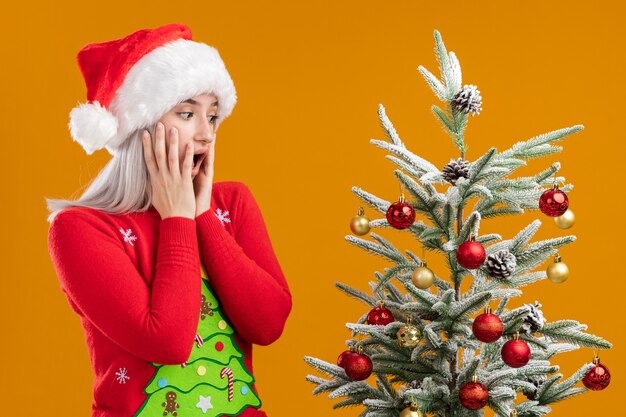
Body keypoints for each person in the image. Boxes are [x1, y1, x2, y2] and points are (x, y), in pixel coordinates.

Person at [46, 23, 291, 417]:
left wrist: (204, 216)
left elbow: (268, 325)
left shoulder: (232, 202)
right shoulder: (80, 228)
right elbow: (169, 342)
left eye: (212, 116)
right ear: (140, 127)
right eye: (186, 112)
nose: (206, 134)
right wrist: (177, 217)